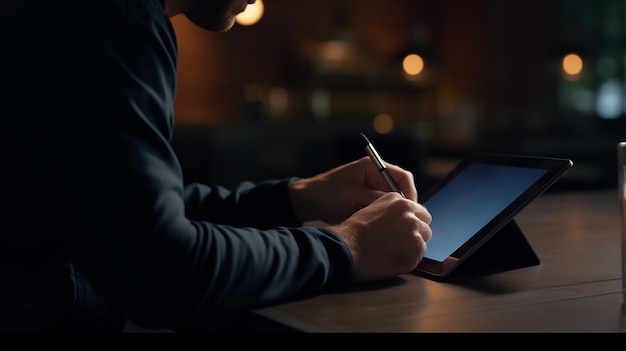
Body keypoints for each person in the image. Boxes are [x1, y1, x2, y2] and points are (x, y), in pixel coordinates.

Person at [0, 0, 432, 332]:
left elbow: (120, 211)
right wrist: (346, 246)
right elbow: (162, 270)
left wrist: (296, 198)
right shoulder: (112, 22)